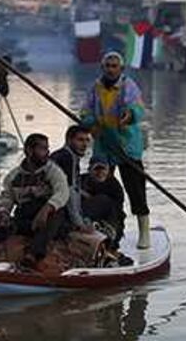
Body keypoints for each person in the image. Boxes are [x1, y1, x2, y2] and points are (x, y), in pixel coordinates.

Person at [80, 51, 152, 249]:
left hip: (126, 146)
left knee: (135, 189)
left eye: (114, 66)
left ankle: (144, 232)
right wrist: (89, 122)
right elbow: (85, 111)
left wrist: (128, 116)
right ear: (103, 68)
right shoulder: (95, 88)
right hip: (104, 145)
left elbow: (138, 108)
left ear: (121, 69)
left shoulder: (129, 86)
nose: (111, 69)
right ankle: (106, 228)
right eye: (108, 66)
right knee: (100, 188)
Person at [0, 132, 70, 270]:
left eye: (47, 149)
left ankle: (33, 255)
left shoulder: (53, 171)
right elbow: (7, 198)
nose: (47, 153)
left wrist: (47, 209)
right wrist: (4, 213)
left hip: (48, 216)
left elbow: (62, 193)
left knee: (57, 214)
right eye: (42, 149)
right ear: (29, 150)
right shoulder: (14, 176)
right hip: (26, 216)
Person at [49, 125, 93, 231]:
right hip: (54, 205)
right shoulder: (68, 158)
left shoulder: (62, 154)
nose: (85, 145)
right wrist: (79, 223)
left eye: (87, 140)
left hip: (53, 201)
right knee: (104, 202)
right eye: (80, 140)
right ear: (69, 140)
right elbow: (69, 192)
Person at [81, 160, 127, 245]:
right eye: (96, 169)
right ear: (90, 170)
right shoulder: (82, 181)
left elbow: (118, 211)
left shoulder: (114, 186)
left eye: (103, 169)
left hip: (110, 220)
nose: (100, 173)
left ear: (108, 171)